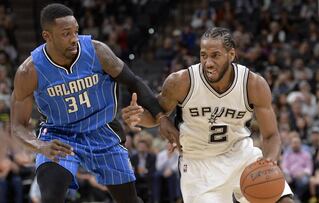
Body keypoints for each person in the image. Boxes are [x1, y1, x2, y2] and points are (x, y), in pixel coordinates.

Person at [10, 3, 177, 203]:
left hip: (102, 128)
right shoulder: (29, 72)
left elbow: (134, 82)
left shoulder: (97, 51)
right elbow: (17, 126)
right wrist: (40, 146)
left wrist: (161, 117)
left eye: (76, 32)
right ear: (47, 36)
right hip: (60, 135)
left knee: (130, 200)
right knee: (51, 197)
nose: (74, 39)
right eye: (66, 34)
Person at [122, 27, 294, 203]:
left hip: (241, 155)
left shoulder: (253, 84)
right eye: (203, 55)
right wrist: (138, 117)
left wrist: (270, 162)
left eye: (215, 55)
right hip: (199, 164)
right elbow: (157, 115)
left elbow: (271, 135)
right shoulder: (181, 82)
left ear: (231, 54)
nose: (208, 62)